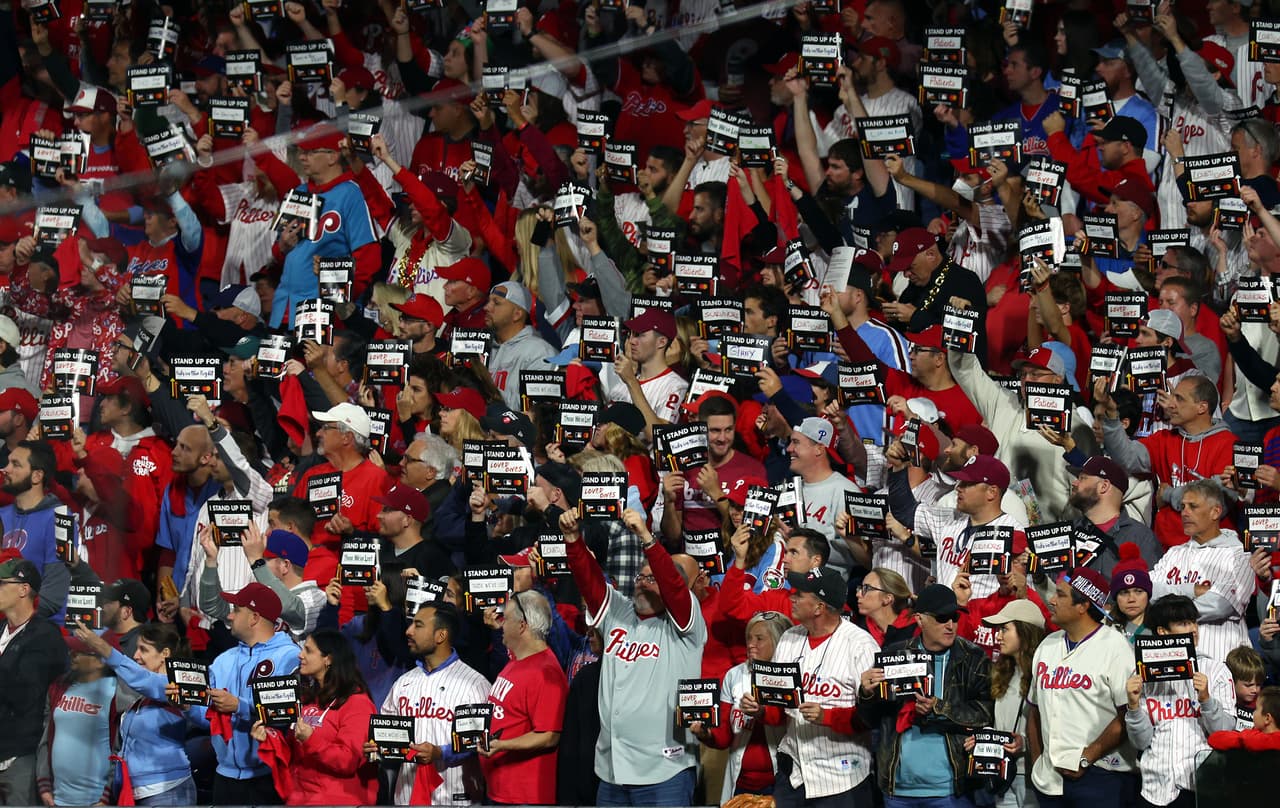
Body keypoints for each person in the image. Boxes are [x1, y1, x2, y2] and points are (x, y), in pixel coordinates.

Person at [559, 507, 705, 806]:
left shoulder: (685, 623)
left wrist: (648, 540)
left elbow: (675, 588)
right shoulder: (619, 612)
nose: (641, 581)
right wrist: (573, 540)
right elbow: (590, 581)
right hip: (612, 772)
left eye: (652, 578)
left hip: (665, 772)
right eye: (640, 576)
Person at [754, 567, 879, 808]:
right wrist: (760, 710)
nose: (792, 598)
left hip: (843, 776)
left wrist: (827, 716)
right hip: (795, 773)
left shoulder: (861, 645)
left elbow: (871, 717)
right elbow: (778, 711)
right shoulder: (789, 638)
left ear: (819, 607)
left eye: (800, 594)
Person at [860, 584, 994, 806]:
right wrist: (866, 694)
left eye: (954, 617)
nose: (950, 625)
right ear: (920, 620)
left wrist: (939, 708)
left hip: (952, 791)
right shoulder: (894, 654)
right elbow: (870, 719)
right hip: (898, 790)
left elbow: (985, 713)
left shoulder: (974, 658)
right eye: (942, 618)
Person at [174, 582, 300, 805]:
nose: (230, 617)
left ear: (254, 617)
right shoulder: (223, 660)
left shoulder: (289, 657)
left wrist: (239, 706)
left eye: (236, 610)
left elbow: (286, 717)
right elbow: (207, 717)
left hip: (267, 776)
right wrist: (188, 707)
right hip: (224, 777)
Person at [1026, 568, 1139, 807]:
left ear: (1083, 605)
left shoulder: (1115, 647)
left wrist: (1088, 756)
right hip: (1049, 780)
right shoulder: (1047, 645)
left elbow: (1128, 714)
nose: (1052, 600)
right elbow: (1034, 711)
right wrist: (1038, 763)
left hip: (1101, 775)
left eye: (1060, 594)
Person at [1123, 595, 1235, 808]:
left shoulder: (1216, 671)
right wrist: (1134, 706)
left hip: (1200, 787)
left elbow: (1225, 733)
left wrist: (1206, 700)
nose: (1193, 629)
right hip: (1154, 788)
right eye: (1183, 623)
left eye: (1194, 622)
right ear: (1162, 632)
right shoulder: (1143, 675)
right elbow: (1141, 742)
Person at [372, 602, 489, 805]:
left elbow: (480, 743)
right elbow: (385, 731)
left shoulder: (474, 684)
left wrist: (440, 752)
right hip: (407, 796)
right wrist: (376, 747)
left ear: (440, 635)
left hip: (456, 798)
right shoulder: (404, 682)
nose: (408, 631)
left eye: (418, 625)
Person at [71, 622, 196, 806]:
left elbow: (143, 680)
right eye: (136, 649)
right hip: (137, 793)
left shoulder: (174, 687)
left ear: (165, 654)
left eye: (143, 650)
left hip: (167, 792)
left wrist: (100, 646)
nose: (136, 656)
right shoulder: (142, 699)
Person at [252, 629, 379, 806]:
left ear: (328, 659)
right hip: (300, 798)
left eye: (309, 651)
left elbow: (348, 761)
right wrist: (270, 738)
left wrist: (311, 739)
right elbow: (294, 752)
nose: (300, 655)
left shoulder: (357, 703)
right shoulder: (307, 699)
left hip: (338, 800)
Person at [478, 589, 569, 805]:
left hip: (524, 796)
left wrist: (501, 745)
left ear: (522, 625)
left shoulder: (546, 673)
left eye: (506, 618)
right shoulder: (518, 660)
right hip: (500, 789)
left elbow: (549, 735)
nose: (501, 622)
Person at [690, 610, 790, 800]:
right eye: (749, 638)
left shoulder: (789, 675)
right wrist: (706, 734)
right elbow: (724, 736)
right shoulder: (735, 675)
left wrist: (762, 712)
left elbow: (789, 720)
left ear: (778, 641)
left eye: (759, 638)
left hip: (781, 783)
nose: (751, 644)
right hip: (741, 783)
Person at [1150, 480, 1254, 663]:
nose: (1184, 513)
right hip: (1177, 661)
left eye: (1193, 506)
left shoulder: (1239, 554)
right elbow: (1148, 591)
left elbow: (1219, 604)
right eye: (1182, 507)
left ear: (1215, 511)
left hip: (1223, 658)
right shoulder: (1174, 553)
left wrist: (1167, 606)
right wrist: (1192, 590)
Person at [0, 558, 69, 805]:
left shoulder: (45, 636)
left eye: (1, 584)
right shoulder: (1, 629)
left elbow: (26, 693)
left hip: (21, 756)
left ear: (23, 588)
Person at [980, 600, 1048, 808]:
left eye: (1004, 629)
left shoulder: (1044, 674)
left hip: (1033, 775)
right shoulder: (1002, 672)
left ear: (1025, 632)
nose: (998, 636)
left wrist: (1025, 743)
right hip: (1002, 773)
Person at [36, 634, 117, 806]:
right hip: (58, 800)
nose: (71, 654)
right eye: (71, 650)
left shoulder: (116, 691)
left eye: (78, 652)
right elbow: (46, 739)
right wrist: (44, 784)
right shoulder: (59, 686)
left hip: (97, 801)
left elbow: (121, 747)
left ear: (100, 661)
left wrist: (107, 796)